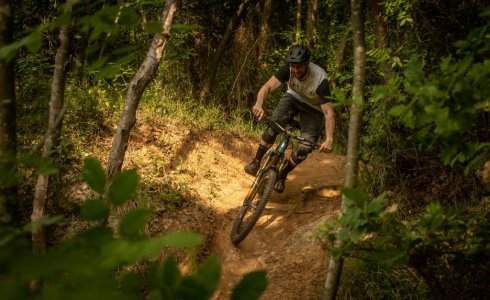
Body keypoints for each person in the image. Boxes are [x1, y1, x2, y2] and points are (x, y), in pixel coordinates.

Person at [244, 44, 335, 193]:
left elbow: (329, 113)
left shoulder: (320, 80)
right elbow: (266, 87)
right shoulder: (288, 69)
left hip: (314, 109)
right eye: (293, 66)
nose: (295, 70)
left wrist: (329, 139)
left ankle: (282, 175)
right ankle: (256, 162)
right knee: (273, 126)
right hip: (292, 98)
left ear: (307, 64)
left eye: (299, 67)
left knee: (304, 148)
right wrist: (259, 104)